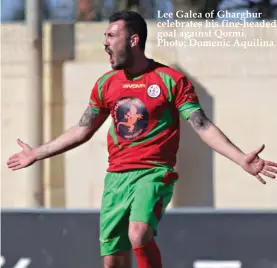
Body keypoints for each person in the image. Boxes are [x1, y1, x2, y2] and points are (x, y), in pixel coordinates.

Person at [7, 10, 277, 268]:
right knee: (113, 261)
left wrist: (241, 158)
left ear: (134, 40)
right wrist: (36, 153)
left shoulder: (171, 81)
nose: (105, 43)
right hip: (116, 178)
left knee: (138, 232)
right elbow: (82, 129)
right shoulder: (105, 85)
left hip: (154, 172)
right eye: (104, 37)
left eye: (111, 36)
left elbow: (202, 125)